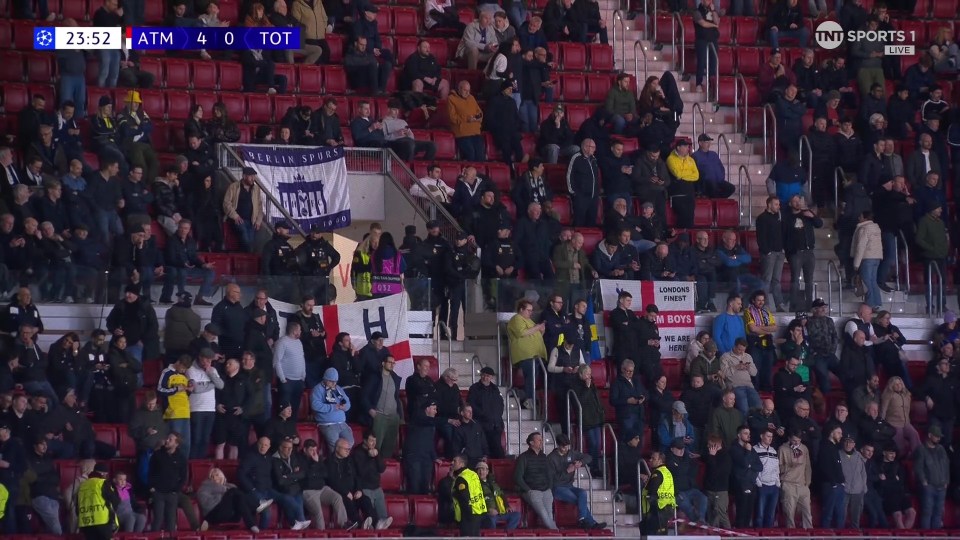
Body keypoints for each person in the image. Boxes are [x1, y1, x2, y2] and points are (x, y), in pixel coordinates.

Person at [197, 467, 261, 533]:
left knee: (239, 496)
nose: (215, 477)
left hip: (233, 516)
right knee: (234, 492)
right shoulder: (205, 486)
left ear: (222, 476)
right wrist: (222, 495)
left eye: (217, 475)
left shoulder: (230, 486)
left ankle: (252, 522)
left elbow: (240, 503)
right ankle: (255, 512)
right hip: (215, 515)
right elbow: (205, 503)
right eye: (212, 476)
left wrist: (226, 494)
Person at [514, 432, 557, 529]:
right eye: (539, 440)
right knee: (543, 513)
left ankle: (553, 534)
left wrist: (549, 487)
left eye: (541, 440)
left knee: (549, 514)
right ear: (531, 443)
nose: (541, 442)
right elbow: (517, 477)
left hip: (546, 490)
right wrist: (528, 490)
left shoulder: (544, 457)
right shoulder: (523, 457)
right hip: (532, 490)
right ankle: (557, 533)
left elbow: (549, 474)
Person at [915, 425, 949, 529]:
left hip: (941, 486)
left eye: (939, 437)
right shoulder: (921, 449)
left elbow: (946, 465)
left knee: (938, 512)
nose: (938, 439)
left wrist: (946, 481)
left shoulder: (941, 449)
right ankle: (926, 536)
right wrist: (924, 481)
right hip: (929, 486)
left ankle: (936, 535)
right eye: (936, 436)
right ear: (930, 435)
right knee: (927, 511)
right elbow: (918, 467)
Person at [311, 368, 353, 453]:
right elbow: (315, 405)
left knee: (350, 443)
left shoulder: (338, 389)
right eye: (331, 381)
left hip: (342, 423)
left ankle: (345, 464)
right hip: (327, 424)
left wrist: (344, 407)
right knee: (335, 445)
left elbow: (348, 402)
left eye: (335, 381)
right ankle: (335, 463)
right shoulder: (317, 389)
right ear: (325, 379)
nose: (334, 384)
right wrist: (332, 407)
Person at [76, 462, 119, 540]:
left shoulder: (83, 485)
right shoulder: (102, 483)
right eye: (106, 474)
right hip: (102, 522)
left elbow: (77, 506)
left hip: (86, 523)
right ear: (102, 474)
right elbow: (114, 501)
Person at [778, 431, 812, 529]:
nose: (796, 443)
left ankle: (810, 535)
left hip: (803, 485)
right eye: (794, 440)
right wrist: (790, 466)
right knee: (789, 514)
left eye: (798, 440)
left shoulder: (804, 448)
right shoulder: (782, 449)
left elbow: (808, 466)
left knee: (807, 513)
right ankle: (791, 535)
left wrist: (807, 482)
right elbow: (779, 468)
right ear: (789, 439)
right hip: (789, 484)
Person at [640, 451, 676, 535]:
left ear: (660, 461)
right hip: (667, 508)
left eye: (653, 458)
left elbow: (652, 491)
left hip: (656, 510)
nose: (650, 460)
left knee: (651, 534)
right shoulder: (667, 472)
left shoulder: (657, 473)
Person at [451, 454, 486, 536]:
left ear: (462, 464)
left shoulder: (461, 478)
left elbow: (464, 498)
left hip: (467, 514)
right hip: (478, 511)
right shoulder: (472, 474)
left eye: (455, 461)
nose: (452, 463)